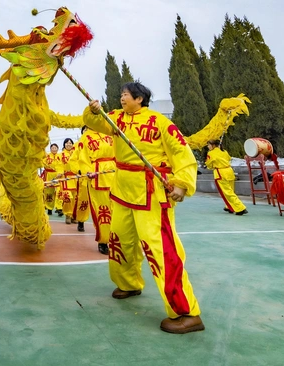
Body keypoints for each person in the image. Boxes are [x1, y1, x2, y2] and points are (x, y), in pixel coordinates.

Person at [83, 82, 204, 334]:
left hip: (150, 192)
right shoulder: (115, 118)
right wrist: (92, 112)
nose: (121, 98)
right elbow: (96, 124)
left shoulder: (160, 122)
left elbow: (182, 152)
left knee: (160, 250)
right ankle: (129, 283)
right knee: (119, 240)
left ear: (139, 98)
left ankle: (187, 312)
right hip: (121, 189)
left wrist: (181, 183)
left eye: (125, 94)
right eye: (121, 94)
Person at [76, 125, 115, 254]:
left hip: (115, 174)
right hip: (97, 175)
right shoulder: (85, 137)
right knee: (102, 209)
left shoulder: (110, 133)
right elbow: (82, 158)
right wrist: (88, 171)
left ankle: (118, 240)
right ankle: (103, 240)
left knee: (118, 209)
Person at [206, 140, 247, 215]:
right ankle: (229, 206)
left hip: (221, 173)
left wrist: (213, 165)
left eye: (208, 145)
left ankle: (240, 207)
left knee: (227, 192)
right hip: (229, 171)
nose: (208, 146)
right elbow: (228, 159)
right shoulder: (224, 151)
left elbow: (208, 164)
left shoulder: (210, 153)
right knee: (231, 190)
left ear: (213, 145)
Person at [42, 143, 62, 215]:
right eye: (52, 148)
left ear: (57, 148)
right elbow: (42, 162)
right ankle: (49, 208)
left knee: (59, 191)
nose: (54, 149)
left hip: (58, 175)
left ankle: (59, 208)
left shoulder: (60, 156)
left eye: (55, 148)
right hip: (49, 175)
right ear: (50, 149)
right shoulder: (47, 156)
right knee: (49, 192)